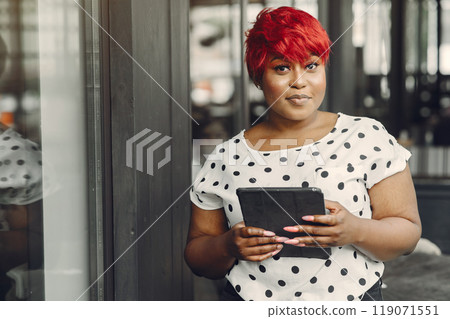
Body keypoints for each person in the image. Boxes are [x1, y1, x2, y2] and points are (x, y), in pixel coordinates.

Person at [184, 6, 421, 301]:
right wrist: (228, 246)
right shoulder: (226, 156)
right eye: (282, 67)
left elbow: (408, 235)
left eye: (311, 65)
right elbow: (197, 255)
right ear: (258, 77)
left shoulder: (366, 136)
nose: (299, 81)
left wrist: (355, 230)